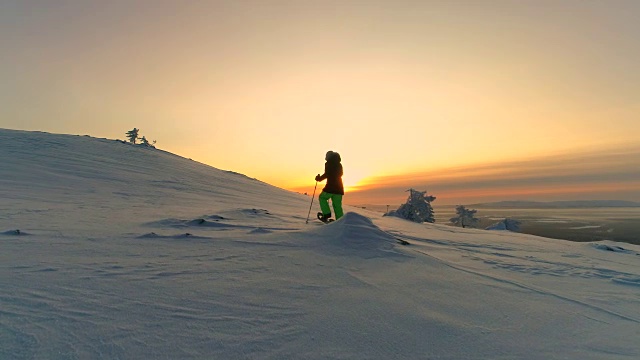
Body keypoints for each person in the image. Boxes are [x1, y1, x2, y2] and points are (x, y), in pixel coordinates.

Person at [315, 151, 344, 222]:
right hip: (339, 188)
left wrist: (319, 178)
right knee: (337, 205)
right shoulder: (339, 164)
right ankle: (340, 220)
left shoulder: (329, 163)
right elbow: (341, 174)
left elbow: (327, 174)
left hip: (330, 187)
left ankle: (326, 214)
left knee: (322, 198)